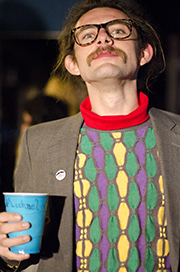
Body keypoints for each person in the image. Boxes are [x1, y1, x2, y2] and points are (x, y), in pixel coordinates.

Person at [0, 0, 179, 271]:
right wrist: (8, 252)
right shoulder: (38, 142)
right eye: (87, 35)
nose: (104, 38)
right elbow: (26, 247)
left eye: (118, 32)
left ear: (144, 53)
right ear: (73, 64)